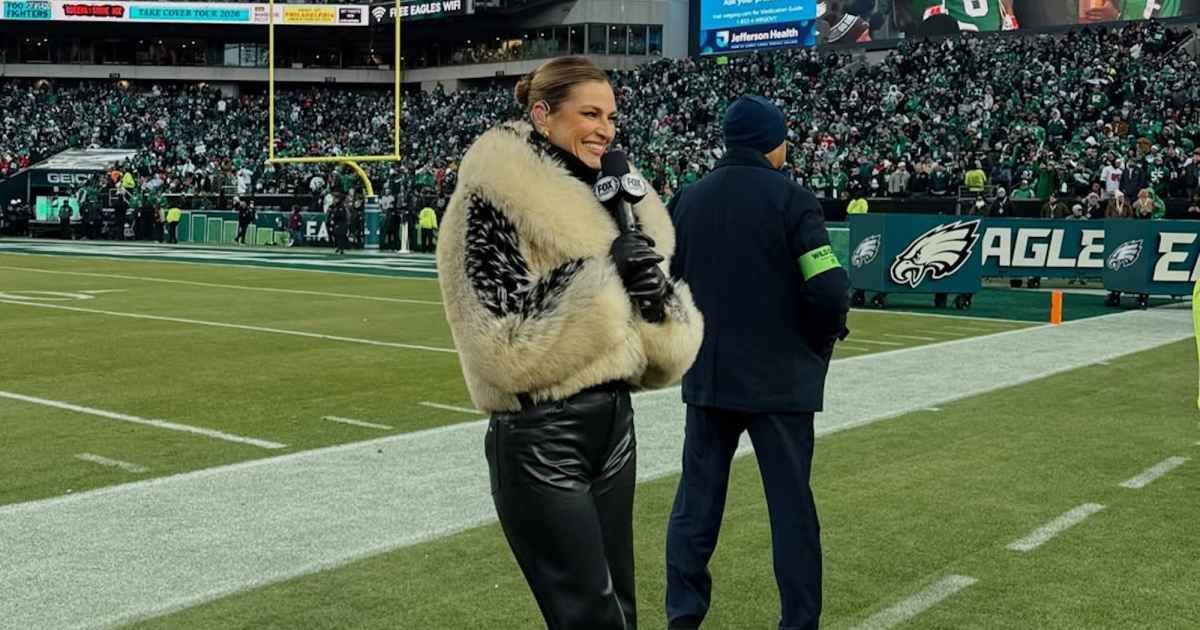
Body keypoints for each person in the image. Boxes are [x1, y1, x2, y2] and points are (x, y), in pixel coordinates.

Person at [436, 56, 703, 630]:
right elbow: (501, 347)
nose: (605, 129)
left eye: (610, 116)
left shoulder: (610, 196)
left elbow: (653, 348)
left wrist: (654, 299)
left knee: (621, 612)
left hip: (614, 424)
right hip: (540, 435)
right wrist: (606, 279)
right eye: (589, 114)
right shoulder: (491, 197)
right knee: (589, 618)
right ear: (543, 115)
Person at [666, 95, 850, 630]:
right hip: (780, 382)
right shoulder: (793, 200)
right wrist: (817, 342)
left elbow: (664, 286)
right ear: (773, 142)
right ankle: (798, 621)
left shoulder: (688, 199)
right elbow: (829, 288)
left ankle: (683, 616)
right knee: (791, 512)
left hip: (709, 377)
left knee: (695, 508)